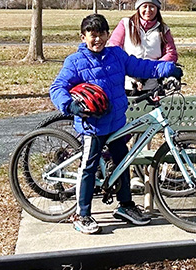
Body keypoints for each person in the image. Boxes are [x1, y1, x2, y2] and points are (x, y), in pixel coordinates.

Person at [49, 13, 183, 234]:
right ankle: (82, 214)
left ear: (107, 35)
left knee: (123, 162)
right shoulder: (75, 62)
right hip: (93, 125)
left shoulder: (117, 56)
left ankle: (126, 206)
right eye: (92, 35)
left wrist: (168, 69)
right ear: (83, 37)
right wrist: (69, 106)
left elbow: (142, 67)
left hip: (118, 122)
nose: (97, 39)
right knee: (88, 168)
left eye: (101, 34)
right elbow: (57, 87)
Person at [108, 0, 178, 95]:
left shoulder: (164, 30)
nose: (148, 10)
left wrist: (151, 69)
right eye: (144, 6)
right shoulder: (125, 24)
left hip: (153, 86)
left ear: (157, 8)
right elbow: (114, 48)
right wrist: (132, 69)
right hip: (127, 85)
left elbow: (171, 54)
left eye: (152, 6)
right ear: (138, 8)